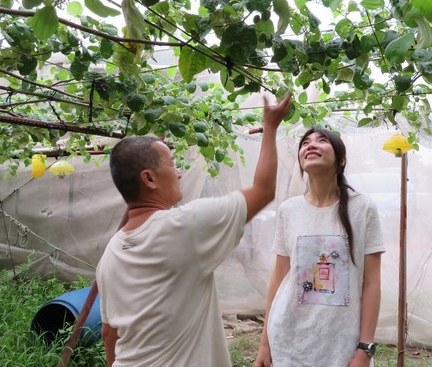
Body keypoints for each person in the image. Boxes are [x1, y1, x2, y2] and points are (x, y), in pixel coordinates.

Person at [95, 93, 292, 367]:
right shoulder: (184, 226)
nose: (178, 173)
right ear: (149, 178)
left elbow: (109, 332)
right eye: (172, 164)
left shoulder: (111, 253)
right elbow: (263, 190)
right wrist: (270, 127)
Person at [254, 127, 386, 367]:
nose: (311, 145)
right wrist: (265, 343)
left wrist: (365, 349)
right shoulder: (289, 210)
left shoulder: (362, 208)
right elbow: (278, 278)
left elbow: (372, 283)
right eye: (305, 143)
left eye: (322, 140)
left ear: (341, 160)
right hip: (288, 338)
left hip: (341, 344)